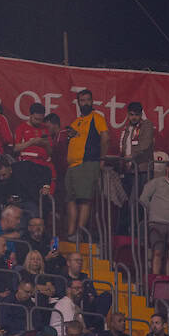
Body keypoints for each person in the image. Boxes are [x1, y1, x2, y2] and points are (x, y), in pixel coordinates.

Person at [64, 88, 109, 239]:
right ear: (78, 103)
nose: (85, 103)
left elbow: (105, 138)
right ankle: (71, 233)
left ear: (92, 101)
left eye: (88, 100)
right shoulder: (75, 122)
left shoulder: (97, 117)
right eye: (82, 100)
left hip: (88, 163)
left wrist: (102, 159)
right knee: (70, 199)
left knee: (84, 199)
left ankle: (80, 232)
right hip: (72, 166)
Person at [139, 160, 169, 276]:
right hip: (156, 223)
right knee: (157, 252)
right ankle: (155, 280)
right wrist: (154, 211)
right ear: (168, 169)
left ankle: (167, 281)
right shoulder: (156, 183)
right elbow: (143, 198)